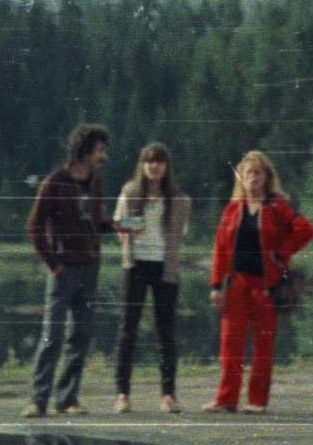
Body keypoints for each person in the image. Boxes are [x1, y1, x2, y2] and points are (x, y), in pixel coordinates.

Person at [203, 151, 313, 414]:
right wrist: (216, 286)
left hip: (267, 284)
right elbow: (220, 250)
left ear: (267, 177)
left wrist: (281, 252)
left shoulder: (278, 207)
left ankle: (257, 400)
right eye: (248, 173)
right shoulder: (232, 209)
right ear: (240, 176)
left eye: (258, 173)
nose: (253, 178)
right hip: (235, 284)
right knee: (230, 342)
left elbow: (306, 229)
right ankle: (226, 399)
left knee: (263, 344)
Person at [23, 124, 121, 417]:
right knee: (52, 335)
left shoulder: (95, 183)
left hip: (90, 266)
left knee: (81, 335)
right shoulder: (54, 182)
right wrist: (53, 263)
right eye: (100, 149)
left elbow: (95, 222)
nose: (104, 155)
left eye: (105, 149)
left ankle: (67, 399)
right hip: (63, 267)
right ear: (84, 149)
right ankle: (37, 400)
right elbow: (33, 227)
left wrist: (116, 226)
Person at [111, 142, 192, 414]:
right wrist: (129, 228)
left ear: (167, 166)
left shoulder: (178, 199)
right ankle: (122, 394)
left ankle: (168, 395)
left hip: (164, 267)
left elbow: (180, 235)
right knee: (127, 330)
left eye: (159, 162)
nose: (153, 166)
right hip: (135, 266)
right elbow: (120, 230)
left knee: (165, 332)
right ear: (142, 165)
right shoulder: (131, 192)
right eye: (148, 161)